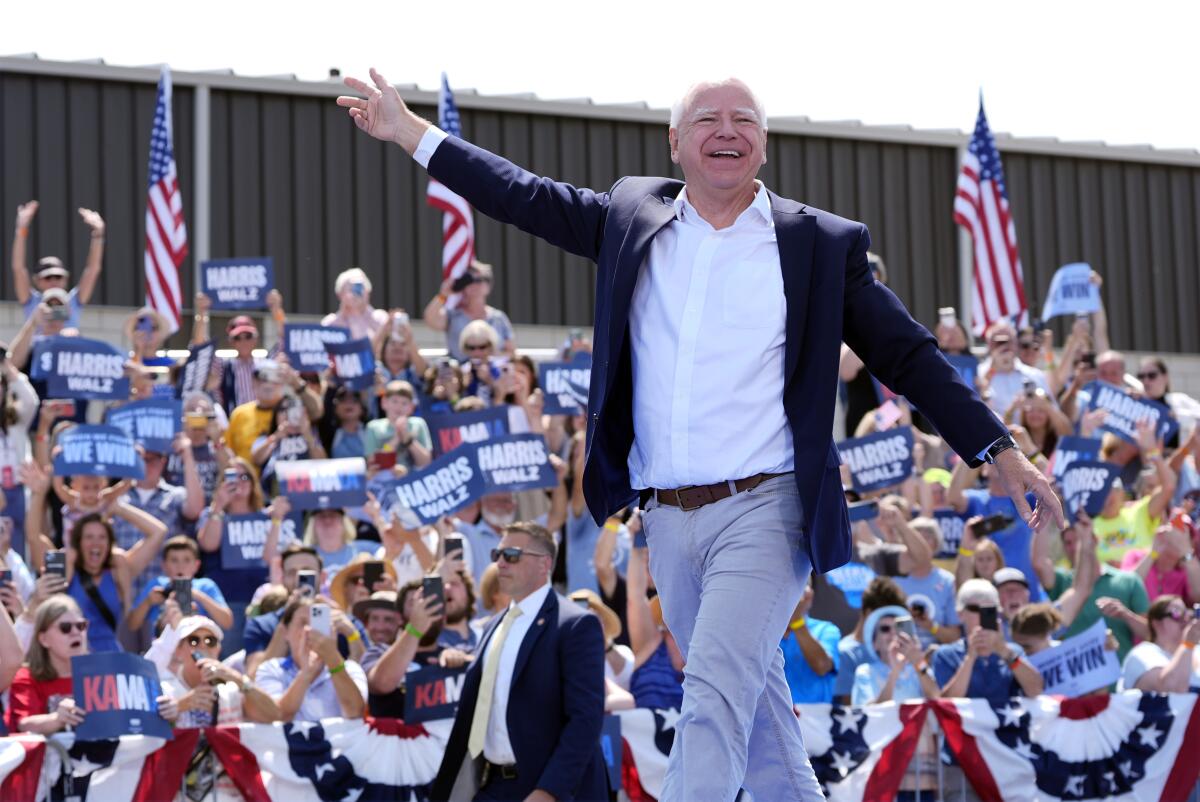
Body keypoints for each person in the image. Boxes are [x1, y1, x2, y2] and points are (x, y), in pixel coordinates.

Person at [341, 71, 1061, 802]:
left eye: (743, 119)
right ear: (675, 141)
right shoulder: (629, 217)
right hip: (667, 522)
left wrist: (998, 450)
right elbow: (521, 194)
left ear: (765, 143)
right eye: (708, 119)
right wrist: (411, 134)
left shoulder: (818, 244)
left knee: (713, 696)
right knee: (765, 733)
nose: (727, 131)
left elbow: (908, 353)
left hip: (767, 510)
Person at [430, 521, 606, 801]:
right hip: (492, 785)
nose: (500, 563)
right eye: (496, 555)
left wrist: (549, 791)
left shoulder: (576, 624)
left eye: (511, 555)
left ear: (544, 564)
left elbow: (586, 718)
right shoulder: (493, 627)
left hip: (549, 788)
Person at [1032, 511, 1150, 662]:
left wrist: (1126, 615)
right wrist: (1045, 509)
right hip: (1079, 681)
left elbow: (1149, 633)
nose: (1074, 547)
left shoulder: (1128, 580)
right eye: (1068, 543)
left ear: (1094, 539)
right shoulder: (1062, 582)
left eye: (1079, 539)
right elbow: (1039, 563)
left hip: (1120, 681)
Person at [146, 614, 280, 726]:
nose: (203, 646)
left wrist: (238, 679)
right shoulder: (165, 688)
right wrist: (181, 706)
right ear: (178, 650)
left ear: (218, 649)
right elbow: (146, 727)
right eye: (194, 641)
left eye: (211, 641)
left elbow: (273, 715)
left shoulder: (232, 688)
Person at [254, 597, 368, 720]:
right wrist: (306, 674)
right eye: (303, 623)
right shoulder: (270, 669)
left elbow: (355, 712)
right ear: (286, 632)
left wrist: (332, 659)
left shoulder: (350, 669)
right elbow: (278, 715)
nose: (309, 630)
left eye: (316, 623)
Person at [932, 579, 1044, 703]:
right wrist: (970, 658)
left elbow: (1036, 690)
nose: (981, 615)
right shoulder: (946, 655)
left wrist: (1004, 651)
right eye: (974, 608)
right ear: (960, 614)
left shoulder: (1013, 651)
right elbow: (948, 703)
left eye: (989, 610)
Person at [10, 201, 106, 331]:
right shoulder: (32, 301)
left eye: (58, 276)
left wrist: (98, 234)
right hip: (39, 351)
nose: (53, 281)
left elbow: (92, 270)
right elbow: (18, 268)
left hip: (67, 349)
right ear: (37, 281)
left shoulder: (73, 301)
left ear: (65, 280)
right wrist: (21, 229)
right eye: (48, 277)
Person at [5, 595, 91, 733]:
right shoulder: (26, 677)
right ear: (44, 639)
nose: (76, 632)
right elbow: (24, 724)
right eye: (65, 627)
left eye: (81, 626)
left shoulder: (100, 673)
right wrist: (57, 719)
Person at [127, 536, 233, 635]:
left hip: (195, 647)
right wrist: (148, 602)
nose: (180, 566)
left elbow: (227, 622)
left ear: (196, 566)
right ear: (164, 565)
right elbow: (131, 626)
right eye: (174, 560)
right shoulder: (156, 585)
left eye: (187, 560)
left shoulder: (206, 586)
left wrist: (199, 596)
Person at [423, 260, 516, 362]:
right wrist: (444, 295)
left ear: (488, 286)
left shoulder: (498, 318)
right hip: (460, 375)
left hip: (492, 375)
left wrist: (488, 359)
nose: (474, 284)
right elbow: (430, 319)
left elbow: (511, 352)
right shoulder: (453, 315)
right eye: (469, 280)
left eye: (480, 280)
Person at [834, 576, 907, 704]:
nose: (892, 629)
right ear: (868, 613)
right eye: (886, 616)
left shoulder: (899, 646)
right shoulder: (845, 653)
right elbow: (851, 709)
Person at [1120, 595, 1200, 692]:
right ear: (1156, 623)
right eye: (1177, 613)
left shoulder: (1196, 651)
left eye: (1188, 614)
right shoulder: (1142, 654)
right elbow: (1171, 687)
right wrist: (1188, 644)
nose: (1185, 619)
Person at [781, 583, 840, 704]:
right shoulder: (764, 632)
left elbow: (822, 665)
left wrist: (796, 620)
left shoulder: (827, 629)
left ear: (810, 595)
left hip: (816, 721)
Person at [363, 380, 432, 474]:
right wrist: (396, 439)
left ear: (411, 407)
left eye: (404, 403)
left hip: (414, 479)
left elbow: (425, 462)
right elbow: (373, 462)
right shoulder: (374, 427)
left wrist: (408, 440)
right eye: (394, 401)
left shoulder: (419, 424)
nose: (399, 406)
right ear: (384, 403)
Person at [322, 267, 390, 340]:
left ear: (368, 292)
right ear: (340, 294)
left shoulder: (381, 318)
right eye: (351, 288)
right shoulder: (331, 323)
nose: (356, 294)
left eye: (360, 287)